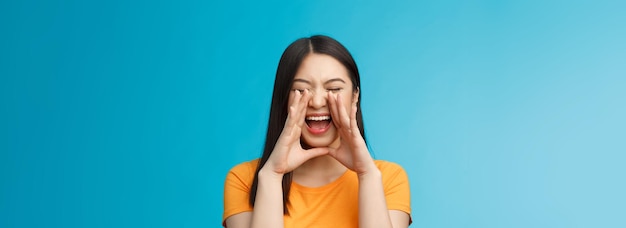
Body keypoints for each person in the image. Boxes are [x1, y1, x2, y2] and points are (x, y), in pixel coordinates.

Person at [223, 35, 411, 228]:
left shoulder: (388, 178)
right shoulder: (243, 180)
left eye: (334, 88)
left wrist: (367, 175)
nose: (318, 102)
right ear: (284, 99)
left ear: (355, 96)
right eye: (301, 89)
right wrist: (272, 176)